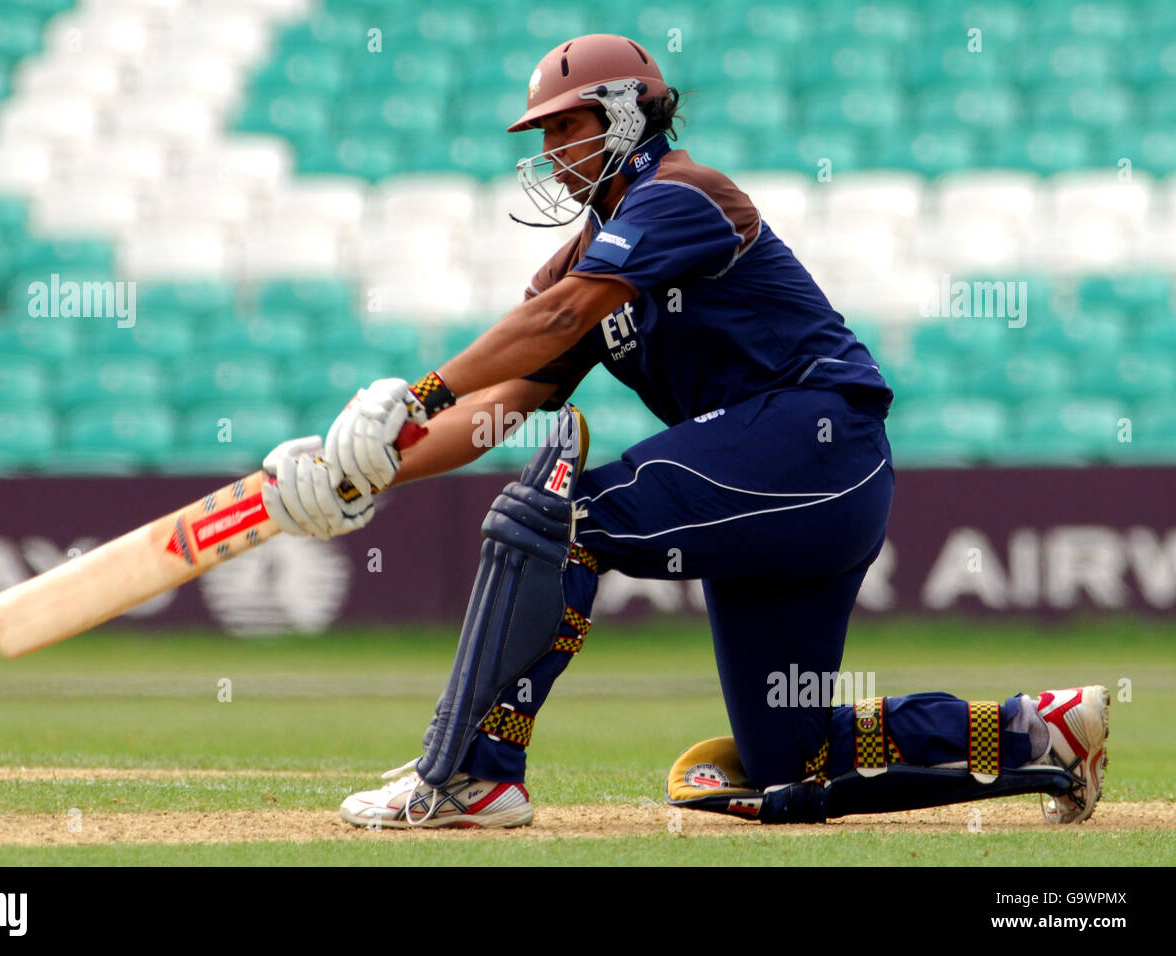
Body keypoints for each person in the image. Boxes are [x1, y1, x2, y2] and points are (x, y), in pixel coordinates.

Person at [260, 34, 1108, 828]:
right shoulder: (586, 258)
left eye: (567, 127)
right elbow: (509, 403)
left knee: (566, 521)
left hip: (816, 443)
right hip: (785, 492)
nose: (551, 153)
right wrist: (368, 472)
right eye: (543, 133)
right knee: (791, 754)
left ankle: (475, 772)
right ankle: (1042, 730)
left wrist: (417, 393)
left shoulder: (679, 196)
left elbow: (557, 320)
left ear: (627, 115)